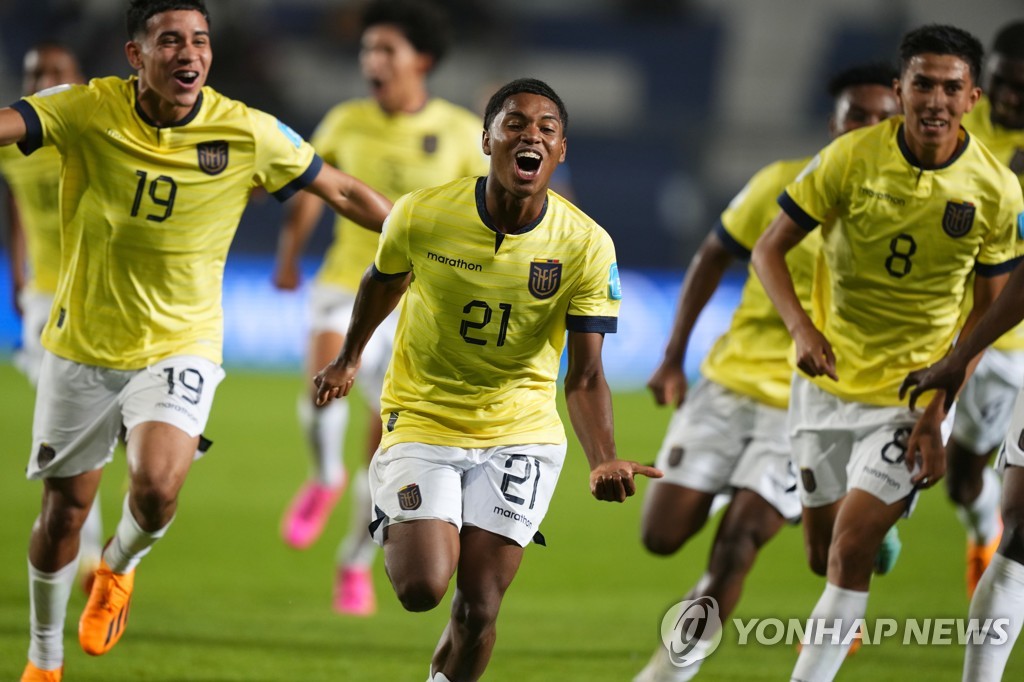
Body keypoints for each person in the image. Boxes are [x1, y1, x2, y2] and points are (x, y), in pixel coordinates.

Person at [6, 2, 392, 681]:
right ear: (136, 55)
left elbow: (340, 188)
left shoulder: (245, 131)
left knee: (155, 489)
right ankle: (44, 654)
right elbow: (13, 123)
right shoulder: (86, 108)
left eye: (201, 41)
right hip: (83, 345)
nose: (190, 54)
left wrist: (426, 239)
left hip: (180, 345)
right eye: (171, 41)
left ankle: (118, 570)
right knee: (64, 514)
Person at [313, 77, 661, 682]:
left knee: (479, 607)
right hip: (423, 415)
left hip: (520, 432)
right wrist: (348, 357)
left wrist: (601, 456)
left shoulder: (585, 245)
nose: (531, 135)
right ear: (487, 140)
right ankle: (392, 512)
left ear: (561, 150)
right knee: (423, 586)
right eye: (516, 123)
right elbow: (382, 282)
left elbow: (584, 375)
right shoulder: (423, 214)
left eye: (546, 128)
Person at [750, 24, 1024, 682]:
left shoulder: (993, 190)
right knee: (823, 553)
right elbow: (768, 250)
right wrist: (802, 330)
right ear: (899, 90)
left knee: (849, 547)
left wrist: (939, 406)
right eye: (922, 84)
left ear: (972, 98)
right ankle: (881, 527)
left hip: (913, 388)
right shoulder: (848, 159)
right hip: (826, 382)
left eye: (950, 87)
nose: (935, 99)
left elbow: (987, 312)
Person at [632, 63, 900, 682]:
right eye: (855, 115)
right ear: (831, 124)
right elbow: (711, 256)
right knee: (660, 534)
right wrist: (673, 355)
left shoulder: (900, 207)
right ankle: (835, 516)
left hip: (808, 404)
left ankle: (669, 672)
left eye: (883, 118)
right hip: (726, 387)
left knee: (738, 544)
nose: (867, 126)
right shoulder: (782, 183)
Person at [273, 0, 488, 616]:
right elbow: (317, 187)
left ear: (421, 60)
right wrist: (290, 255)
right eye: (368, 50)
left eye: (385, 49)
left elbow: (484, 209)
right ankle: (321, 477)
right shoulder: (346, 119)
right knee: (322, 381)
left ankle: (353, 561)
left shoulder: (458, 131)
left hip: (419, 301)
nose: (372, 60)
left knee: (386, 447)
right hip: (347, 281)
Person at [0, 43, 105, 594]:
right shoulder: (14, 140)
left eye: (56, 72)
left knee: (94, 438)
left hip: (108, 303)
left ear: (79, 79)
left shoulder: (95, 132)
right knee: (71, 438)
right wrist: (16, 274)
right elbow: (16, 205)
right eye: (35, 71)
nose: (44, 79)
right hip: (46, 302)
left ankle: (102, 552)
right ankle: (90, 560)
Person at [946, 20, 1024, 598]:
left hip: (1011, 348)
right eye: (1004, 82)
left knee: (966, 474)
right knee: (907, 463)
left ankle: (984, 532)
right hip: (944, 328)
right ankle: (847, 587)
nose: (1013, 96)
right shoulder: (950, 127)